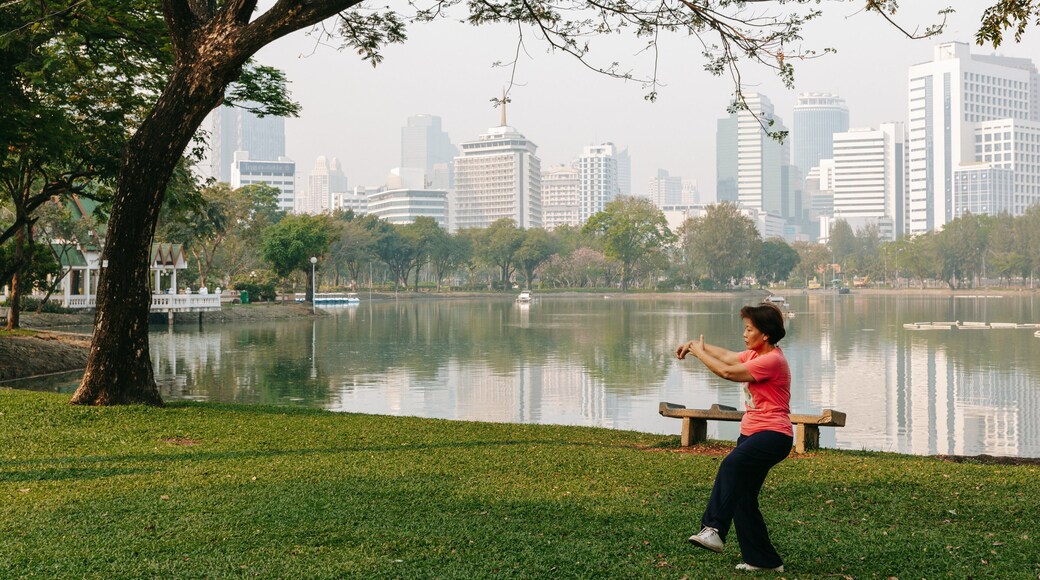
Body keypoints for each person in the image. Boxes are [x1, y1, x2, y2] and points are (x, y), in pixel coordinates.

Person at [675, 301, 792, 573]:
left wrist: (698, 353)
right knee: (742, 498)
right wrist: (695, 345)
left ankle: (713, 529)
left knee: (731, 465)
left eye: (749, 329)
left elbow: (727, 372)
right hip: (752, 434)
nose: (744, 333)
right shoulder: (755, 355)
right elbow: (727, 356)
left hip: (772, 435)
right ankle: (764, 560)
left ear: (764, 334)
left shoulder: (772, 361)